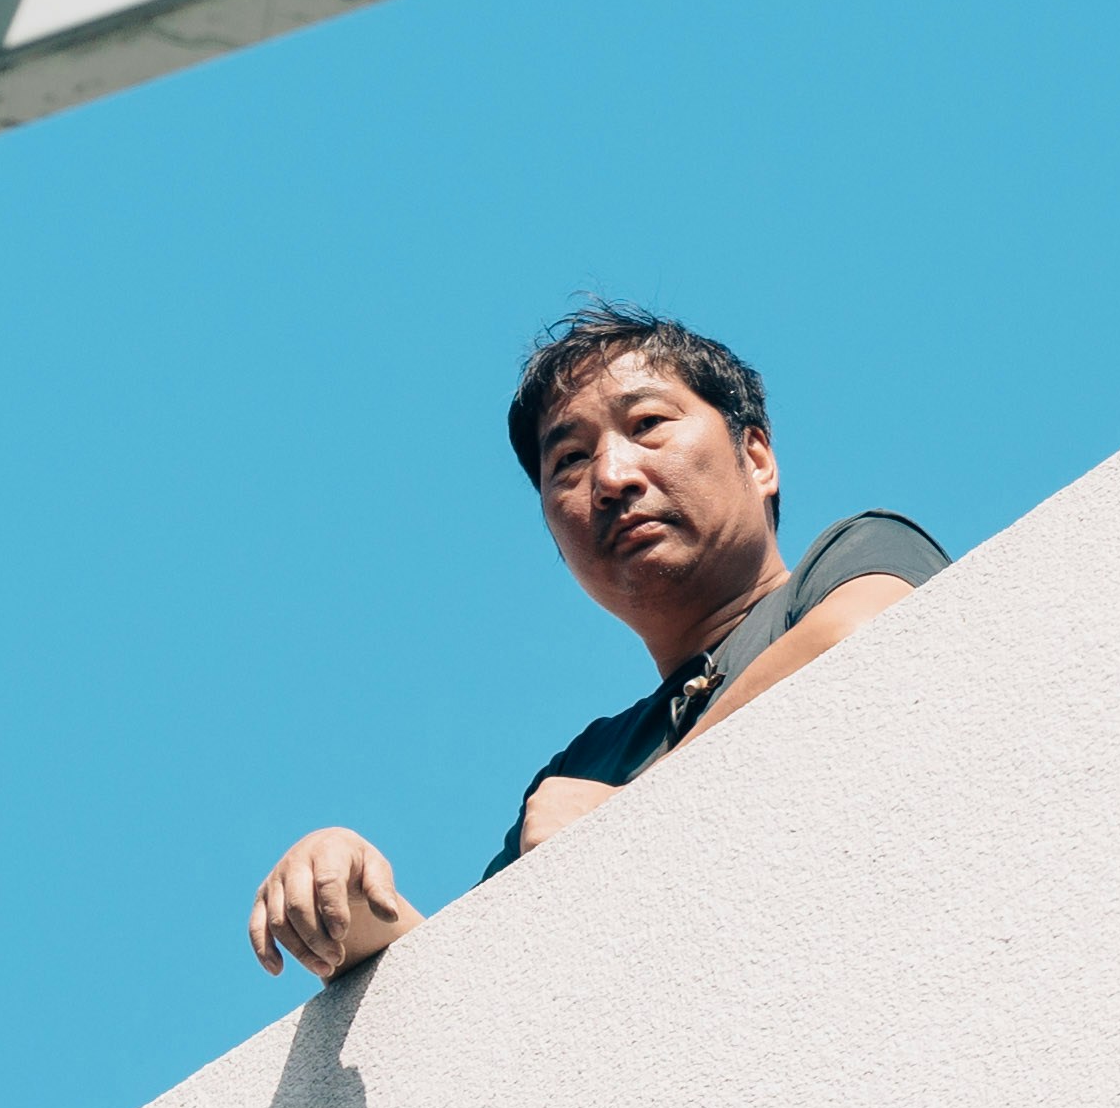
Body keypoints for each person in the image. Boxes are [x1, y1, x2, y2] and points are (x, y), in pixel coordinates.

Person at [246, 306, 947, 980]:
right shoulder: (586, 763)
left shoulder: (853, 556)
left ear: (757, 456)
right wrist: (348, 899)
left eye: (647, 424)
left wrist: (633, 816)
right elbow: (475, 980)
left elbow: (861, 644)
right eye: (572, 461)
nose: (611, 478)